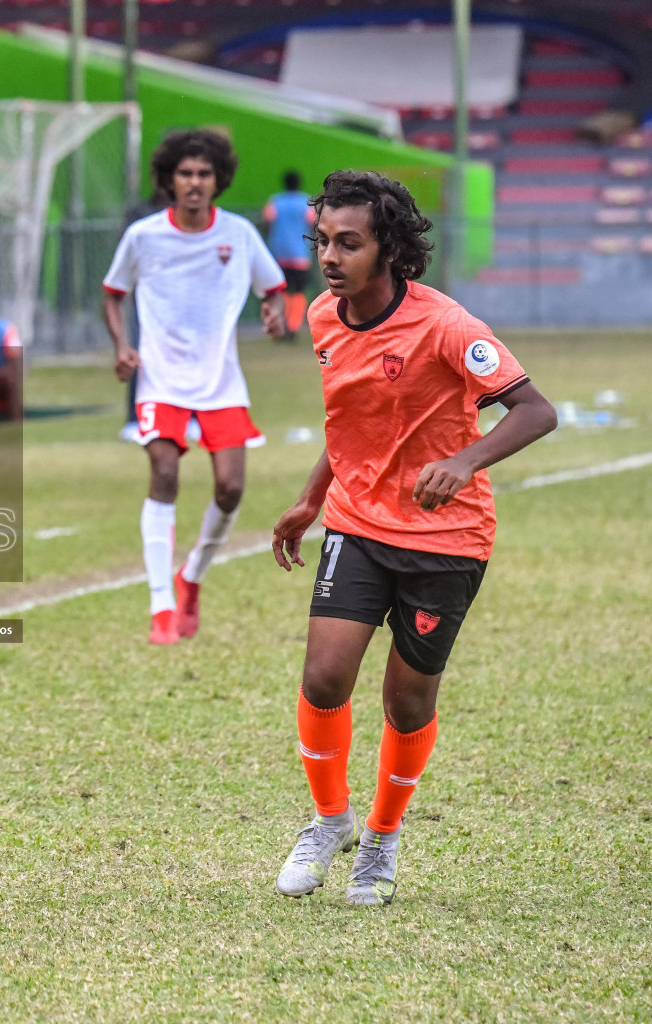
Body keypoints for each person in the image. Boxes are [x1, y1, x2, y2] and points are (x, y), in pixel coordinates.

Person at [271, 171, 556, 906]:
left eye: (349, 243)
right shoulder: (324, 319)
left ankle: (382, 838)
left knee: (406, 702)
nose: (330, 257)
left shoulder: (448, 326)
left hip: (446, 539)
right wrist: (310, 500)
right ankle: (329, 820)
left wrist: (464, 461)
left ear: (389, 248)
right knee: (325, 676)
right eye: (323, 241)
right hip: (359, 522)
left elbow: (535, 411)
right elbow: (354, 426)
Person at [101, 129, 288, 646]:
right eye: (185, 173)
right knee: (164, 470)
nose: (195, 182)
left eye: (204, 174)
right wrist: (121, 345)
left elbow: (273, 287)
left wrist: (273, 316)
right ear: (168, 180)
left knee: (230, 489)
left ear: (218, 180)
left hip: (221, 383)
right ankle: (161, 605)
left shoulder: (240, 234)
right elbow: (113, 294)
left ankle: (192, 578)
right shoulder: (143, 236)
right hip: (159, 380)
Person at [263, 170, 317, 339]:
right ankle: (294, 326)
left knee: (283, 291)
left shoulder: (276, 201)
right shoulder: (305, 202)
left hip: (279, 253)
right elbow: (313, 223)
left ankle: (283, 322)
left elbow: (266, 221)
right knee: (299, 291)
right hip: (300, 255)